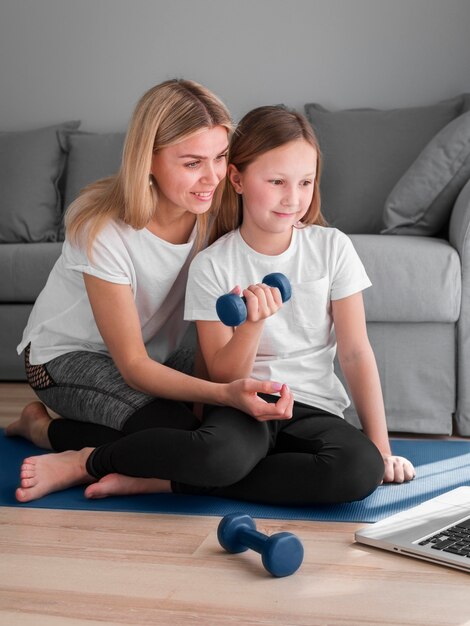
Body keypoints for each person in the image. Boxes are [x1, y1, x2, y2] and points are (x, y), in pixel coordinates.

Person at [7, 82, 294, 503]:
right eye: (193, 162)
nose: (212, 177)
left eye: (219, 157)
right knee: (182, 432)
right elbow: (133, 366)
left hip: (157, 349)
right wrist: (222, 392)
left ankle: (70, 439)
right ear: (149, 160)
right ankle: (47, 433)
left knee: (214, 435)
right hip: (66, 359)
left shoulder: (211, 207)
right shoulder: (102, 229)